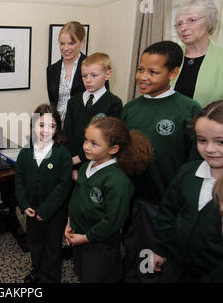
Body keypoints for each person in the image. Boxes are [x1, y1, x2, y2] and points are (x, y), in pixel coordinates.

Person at [121, 40, 202, 283]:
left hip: (161, 204)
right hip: (130, 197)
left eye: (153, 72)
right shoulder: (130, 108)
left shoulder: (188, 109)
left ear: (173, 73)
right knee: (130, 247)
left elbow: (195, 163)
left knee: (150, 258)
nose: (143, 77)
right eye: (140, 69)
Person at [65, 116, 153, 283]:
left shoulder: (118, 181)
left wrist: (85, 237)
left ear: (113, 149)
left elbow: (113, 221)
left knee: (97, 277)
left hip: (100, 244)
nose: (86, 146)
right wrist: (70, 222)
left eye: (94, 143)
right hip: (79, 236)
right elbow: (76, 198)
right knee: (82, 273)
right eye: (85, 140)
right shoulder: (86, 166)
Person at [151, 100, 223, 282]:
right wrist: (160, 248)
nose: (209, 149)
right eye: (202, 140)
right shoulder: (188, 172)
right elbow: (168, 211)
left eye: (220, 142)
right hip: (175, 267)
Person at [14, 104, 72, 283]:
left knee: (52, 246)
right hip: (32, 210)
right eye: (41, 125)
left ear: (57, 129)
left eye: (51, 126)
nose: (45, 130)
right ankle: (37, 271)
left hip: (54, 213)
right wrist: (24, 205)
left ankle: (50, 277)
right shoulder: (25, 153)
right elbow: (19, 181)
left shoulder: (62, 154)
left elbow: (63, 186)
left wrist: (46, 211)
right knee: (35, 244)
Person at [63, 52, 122, 180]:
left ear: (108, 74)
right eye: (84, 76)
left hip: (96, 165)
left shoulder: (114, 103)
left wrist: (79, 159)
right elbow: (67, 133)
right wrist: (70, 163)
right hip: (71, 162)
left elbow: (108, 140)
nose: (88, 80)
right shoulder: (73, 101)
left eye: (94, 75)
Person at [172, 0, 223, 107]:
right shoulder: (170, 54)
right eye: (179, 23)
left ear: (210, 22)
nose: (183, 28)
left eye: (192, 20)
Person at [46, 21, 87, 121]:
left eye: (71, 43)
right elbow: (53, 102)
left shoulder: (93, 67)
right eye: (62, 44)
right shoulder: (52, 69)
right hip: (58, 126)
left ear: (82, 42)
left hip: (83, 126)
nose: (66, 48)